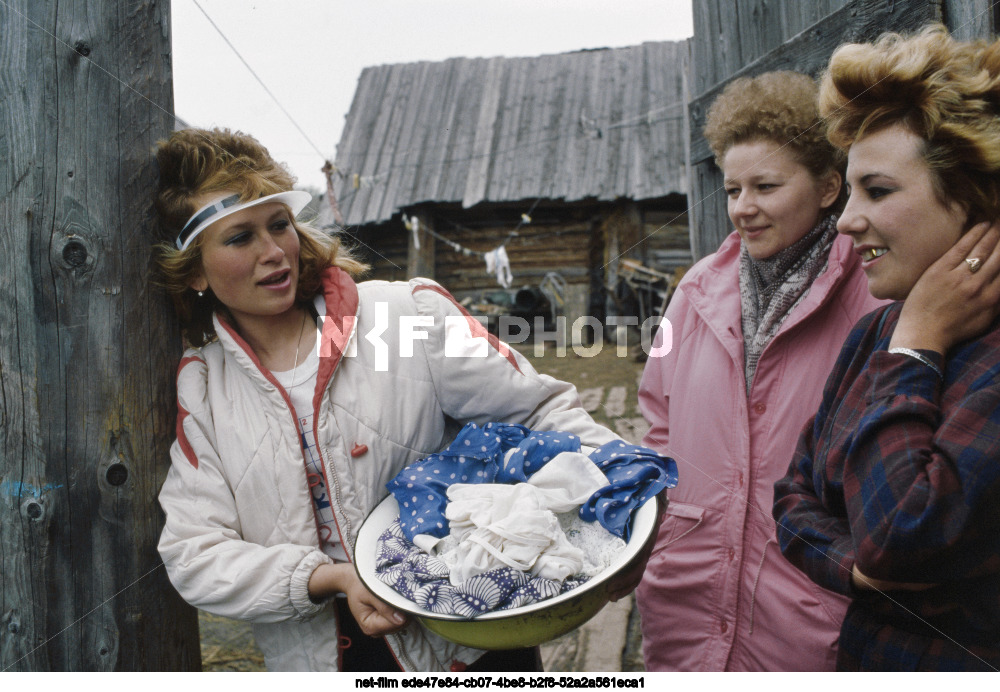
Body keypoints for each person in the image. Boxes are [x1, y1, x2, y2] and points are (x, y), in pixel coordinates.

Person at [152, 127, 653, 672]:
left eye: (280, 225)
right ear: (195, 270)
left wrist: (635, 502)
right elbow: (194, 554)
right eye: (239, 238)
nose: (274, 252)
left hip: (471, 640)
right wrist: (331, 577)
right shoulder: (202, 388)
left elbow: (543, 412)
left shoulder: (406, 315)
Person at [634, 71, 885, 671]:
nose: (742, 209)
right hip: (687, 595)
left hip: (806, 606)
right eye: (731, 190)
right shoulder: (696, 289)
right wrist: (659, 533)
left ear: (829, 187)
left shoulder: (877, 298)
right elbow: (659, 423)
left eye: (765, 186)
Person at [772, 26, 1000, 672]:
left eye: (877, 191)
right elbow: (791, 499)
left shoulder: (914, 341)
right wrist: (855, 567)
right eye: (848, 192)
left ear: (973, 196)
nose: (844, 220)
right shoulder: (877, 332)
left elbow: (901, 532)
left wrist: (918, 346)